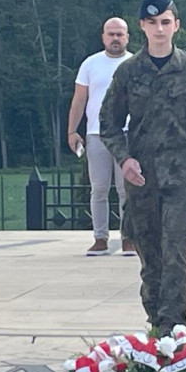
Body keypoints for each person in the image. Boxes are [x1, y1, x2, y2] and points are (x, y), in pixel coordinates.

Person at [99, 0, 186, 334]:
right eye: (153, 23)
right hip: (142, 182)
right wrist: (124, 158)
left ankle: (174, 325)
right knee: (151, 259)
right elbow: (109, 123)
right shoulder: (128, 72)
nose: (160, 29)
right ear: (142, 26)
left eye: (166, 23)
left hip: (180, 179)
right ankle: (156, 322)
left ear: (176, 26)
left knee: (176, 254)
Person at [67, 17, 136, 256]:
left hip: (127, 133)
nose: (115, 38)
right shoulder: (90, 64)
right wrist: (72, 130)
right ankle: (100, 237)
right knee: (98, 188)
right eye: (111, 34)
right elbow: (79, 99)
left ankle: (129, 237)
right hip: (96, 133)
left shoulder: (135, 63)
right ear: (103, 37)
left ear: (127, 36)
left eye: (120, 34)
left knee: (126, 188)